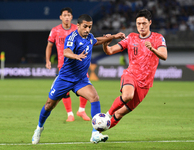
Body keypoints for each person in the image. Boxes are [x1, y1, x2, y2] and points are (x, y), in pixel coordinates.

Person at [32, 14, 125, 144]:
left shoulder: (89, 37)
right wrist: (75, 56)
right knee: (49, 105)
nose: (87, 29)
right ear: (78, 26)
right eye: (85, 26)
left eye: (90, 27)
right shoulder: (72, 37)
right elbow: (66, 51)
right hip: (65, 78)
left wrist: (114, 37)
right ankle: (39, 128)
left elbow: (96, 40)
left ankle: (95, 134)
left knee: (94, 97)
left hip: (80, 79)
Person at [102, 9, 167, 132]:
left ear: (150, 23)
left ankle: (97, 132)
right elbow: (110, 51)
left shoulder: (158, 38)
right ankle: (107, 115)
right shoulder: (131, 37)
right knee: (127, 95)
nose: (141, 26)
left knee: (120, 113)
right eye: (138, 24)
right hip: (130, 75)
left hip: (145, 84)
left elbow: (164, 56)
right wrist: (105, 44)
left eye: (144, 23)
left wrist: (152, 49)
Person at [45, 7, 90, 122]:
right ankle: (70, 114)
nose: (66, 17)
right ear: (61, 17)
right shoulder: (55, 30)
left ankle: (81, 110)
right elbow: (49, 46)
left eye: (69, 15)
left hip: (79, 64)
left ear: (71, 17)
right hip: (63, 65)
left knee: (86, 86)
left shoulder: (77, 29)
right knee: (65, 91)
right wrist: (48, 60)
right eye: (64, 15)